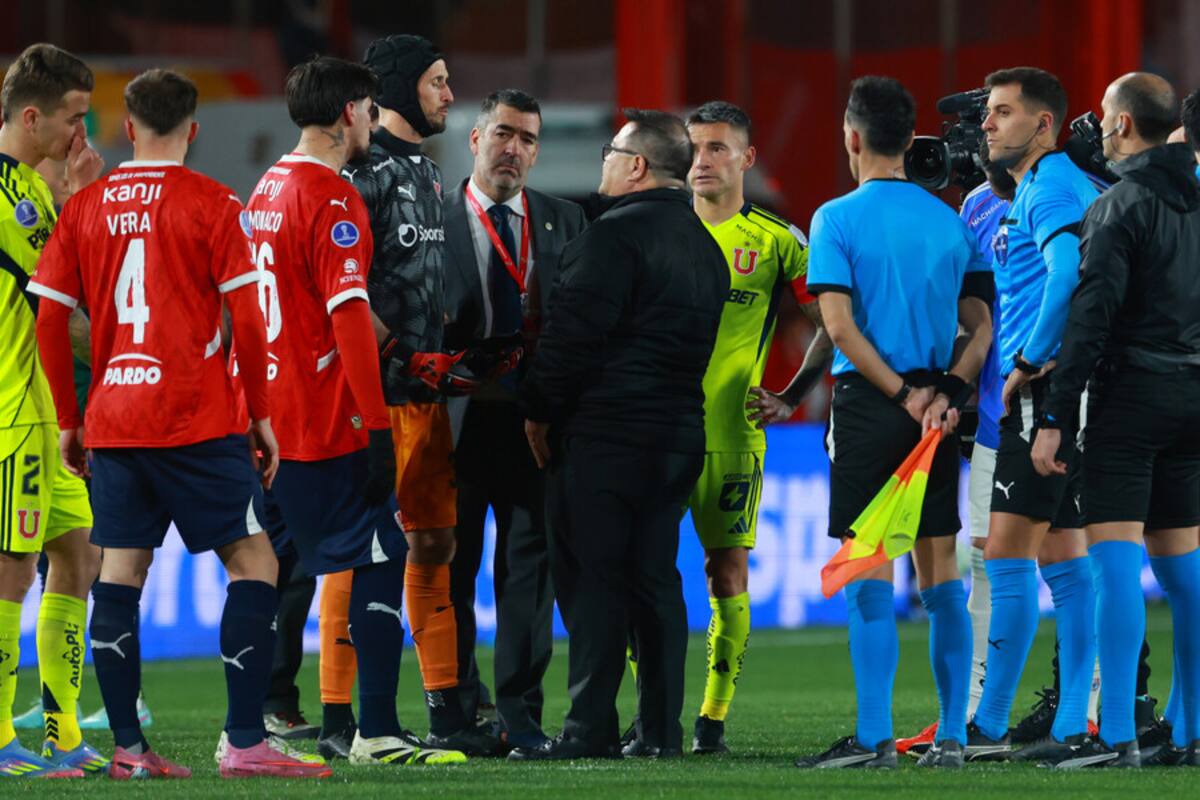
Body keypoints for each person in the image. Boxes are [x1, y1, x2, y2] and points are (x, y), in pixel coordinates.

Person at [31, 67, 327, 779]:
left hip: (115, 418)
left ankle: (129, 750)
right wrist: (260, 414)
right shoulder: (214, 203)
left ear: (126, 126)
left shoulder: (87, 206)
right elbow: (250, 321)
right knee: (254, 561)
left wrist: (71, 419)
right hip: (196, 416)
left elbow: (49, 318)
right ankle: (245, 741)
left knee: (121, 572)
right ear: (192, 130)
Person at [248, 55, 469, 768]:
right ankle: (374, 728)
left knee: (261, 567)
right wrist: (376, 424)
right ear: (350, 112)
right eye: (370, 110)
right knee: (381, 553)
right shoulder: (332, 195)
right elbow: (347, 319)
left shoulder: (266, 188)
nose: (374, 122)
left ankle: (240, 727)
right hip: (321, 417)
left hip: (270, 416)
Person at [511, 109, 729, 760]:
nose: (603, 162)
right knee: (656, 580)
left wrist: (538, 411)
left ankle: (588, 729)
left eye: (611, 151)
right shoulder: (706, 247)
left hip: (606, 436)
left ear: (636, 166)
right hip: (677, 437)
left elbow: (570, 339)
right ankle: (660, 731)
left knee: (593, 579)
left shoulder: (610, 238)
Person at [795, 75, 993, 770]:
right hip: (937, 416)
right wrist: (947, 391)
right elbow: (981, 327)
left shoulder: (835, 218)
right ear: (911, 142)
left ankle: (876, 737)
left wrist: (900, 393)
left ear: (852, 137)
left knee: (869, 572)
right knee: (941, 577)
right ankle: (953, 737)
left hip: (872, 408)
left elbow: (840, 327)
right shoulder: (951, 221)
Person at [650, 100, 831, 756]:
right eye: (694, 147)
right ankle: (654, 717)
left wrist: (791, 395)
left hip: (733, 437)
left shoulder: (778, 241)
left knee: (726, 573)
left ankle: (712, 721)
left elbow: (832, 325)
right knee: (647, 572)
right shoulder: (655, 231)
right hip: (656, 432)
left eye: (718, 147)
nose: (702, 159)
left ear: (747, 159)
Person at [333, 33, 496, 757]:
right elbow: (339, 289)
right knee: (358, 552)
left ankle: (444, 713)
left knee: (436, 540)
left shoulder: (430, 175)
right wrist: (399, 353)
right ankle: (340, 720)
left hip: (423, 399)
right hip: (372, 398)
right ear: (398, 89)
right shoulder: (359, 173)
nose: (449, 94)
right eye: (437, 81)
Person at [1032, 72, 1200, 768]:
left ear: (1125, 125)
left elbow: (1090, 321)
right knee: (1185, 572)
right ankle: (1189, 733)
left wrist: (1054, 416)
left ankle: (1119, 738)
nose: (1098, 125)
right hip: (1193, 399)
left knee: (1114, 564)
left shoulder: (1119, 204)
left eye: (1104, 114)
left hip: (1131, 398)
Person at [442, 88, 587, 751]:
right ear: (475, 140)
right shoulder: (432, 218)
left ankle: (520, 717)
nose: (514, 149)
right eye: (503, 133)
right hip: (455, 419)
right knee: (449, 567)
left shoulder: (566, 220)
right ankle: (458, 710)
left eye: (528, 139)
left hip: (534, 421)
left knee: (529, 576)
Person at [966, 67, 1101, 765]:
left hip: (1040, 403)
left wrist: (1029, 358)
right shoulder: (1080, 187)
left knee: (1007, 559)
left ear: (1043, 124)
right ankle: (1075, 720)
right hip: (1082, 399)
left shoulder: (1047, 188)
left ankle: (985, 727)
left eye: (1001, 112)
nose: (986, 124)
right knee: (1068, 566)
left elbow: (1069, 273)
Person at [0, 43, 107, 780]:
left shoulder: (31, 192)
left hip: (44, 407)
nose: (81, 134)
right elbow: (66, 301)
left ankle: (63, 733)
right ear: (32, 117)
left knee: (78, 555)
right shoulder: (10, 194)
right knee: (11, 570)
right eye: (74, 118)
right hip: (14, 412)